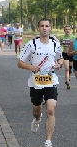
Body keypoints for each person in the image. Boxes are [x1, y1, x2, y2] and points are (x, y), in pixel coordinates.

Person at [17, 18, 63, 147]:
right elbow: (20, 63)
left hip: (51, 81)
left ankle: (48, 141)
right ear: (38, 28)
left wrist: (58, 65)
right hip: (36, 82)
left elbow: (60, 59)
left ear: (50, 28)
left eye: (47, 26)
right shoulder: (31, 44)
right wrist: (31, 67)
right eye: (42, 26)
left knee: (50, 110)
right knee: (37, 109)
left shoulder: (55, 44)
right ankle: (37, 118)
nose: (44, 28)